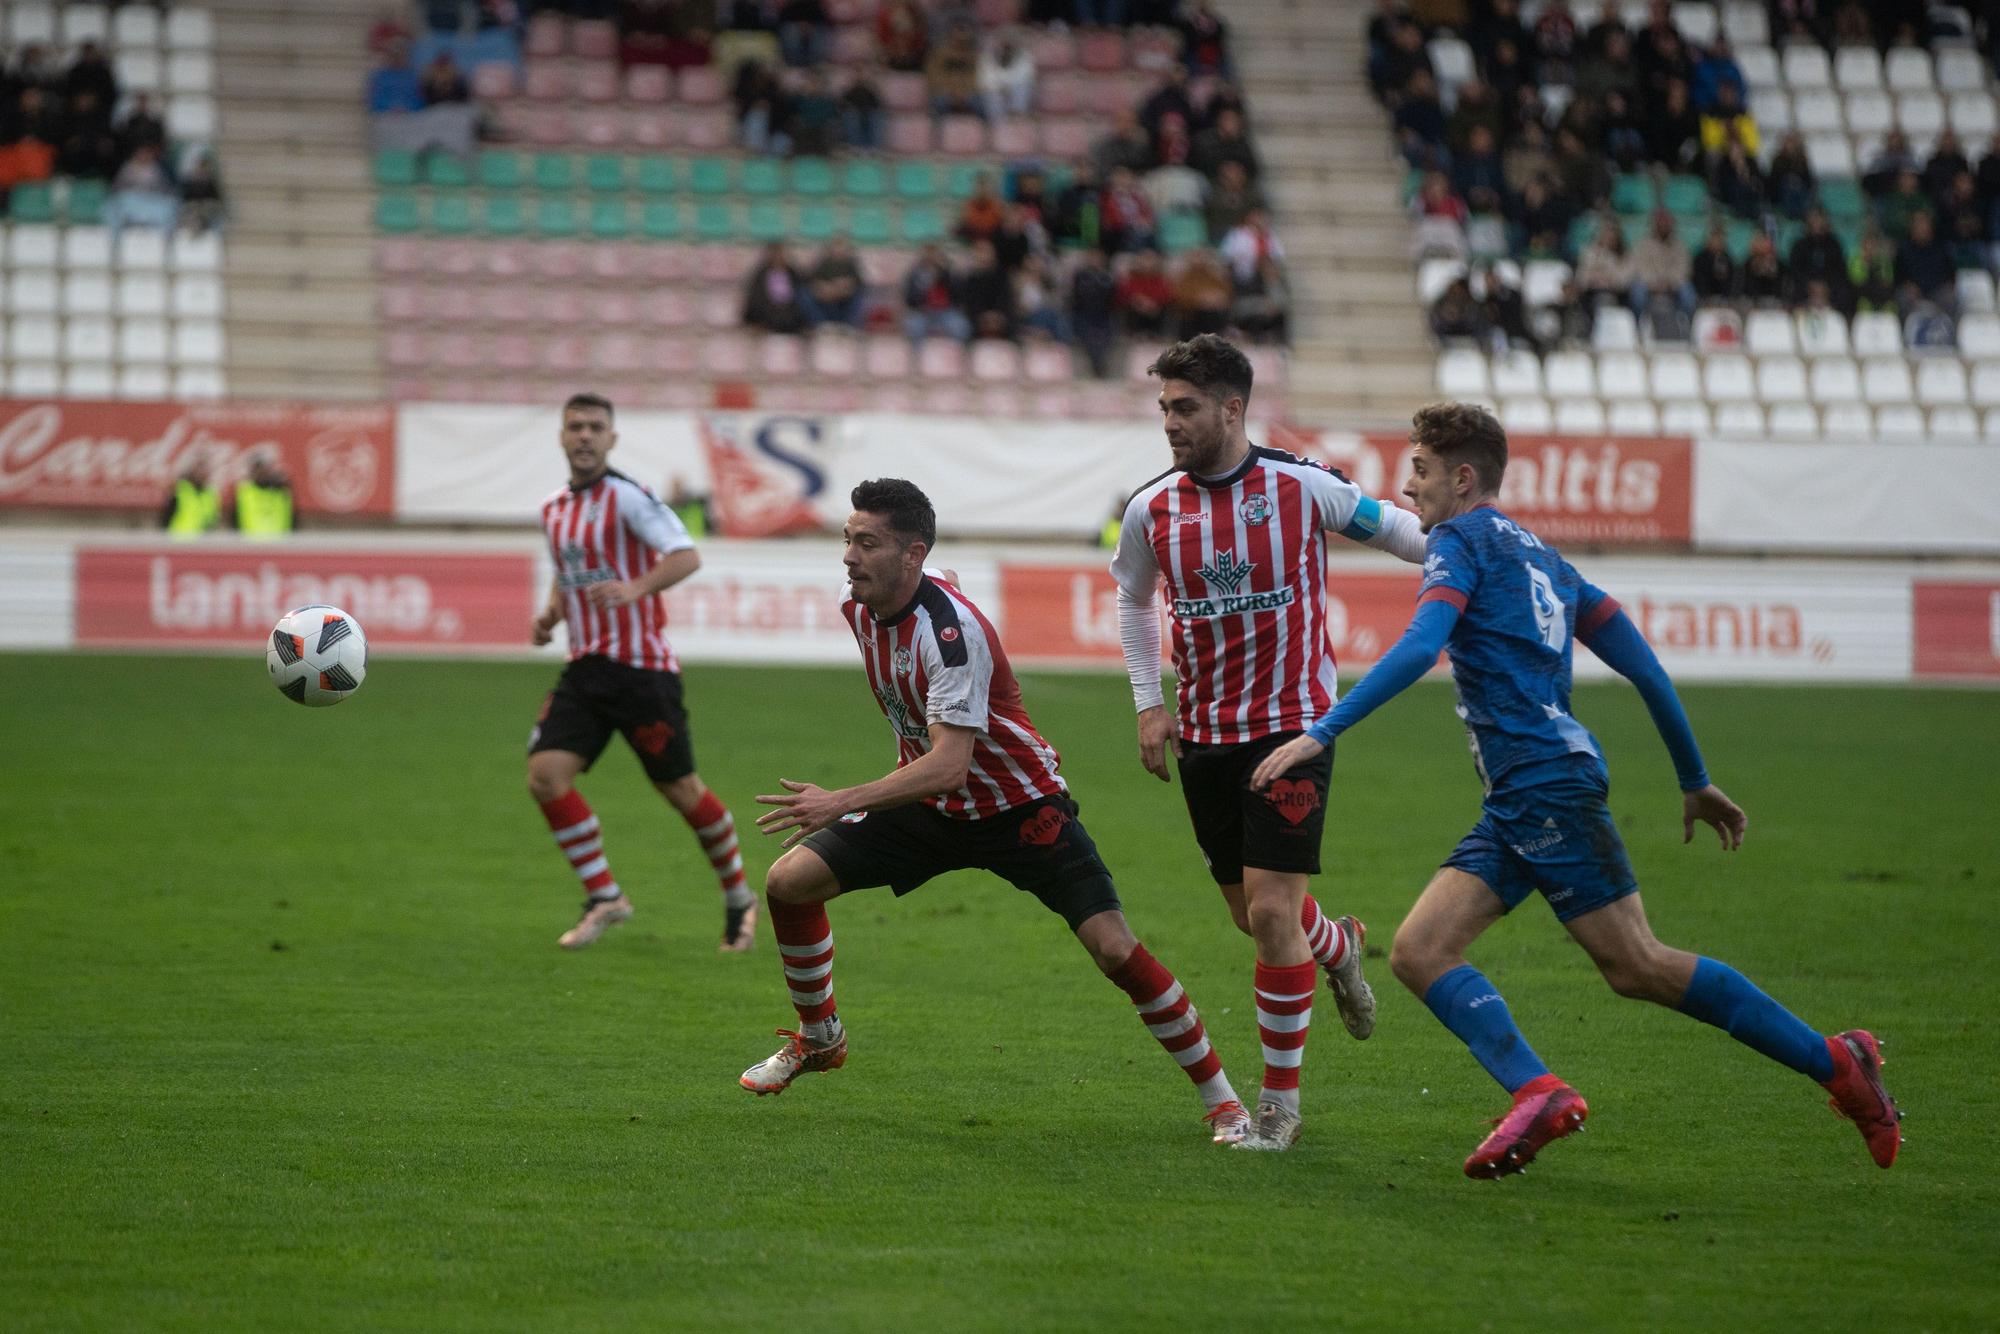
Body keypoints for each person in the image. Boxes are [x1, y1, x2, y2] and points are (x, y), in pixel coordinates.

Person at [1247, 402, 1903, 1179]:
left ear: (1462, 478)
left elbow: (1425, 641)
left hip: (1542, 784)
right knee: (1421, 949)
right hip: (1528, 790)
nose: (1408, 483)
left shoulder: (1457, 542)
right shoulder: (1546, 559)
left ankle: (1836, 1062)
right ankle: (1539, 1089)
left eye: (1420, 469)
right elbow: (1645, 667)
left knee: (1638, 965)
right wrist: (1693, 777)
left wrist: (1323, 730)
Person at [740, 478, 1256, 1146]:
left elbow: (952, 762)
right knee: (788, 882)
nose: (850, 556)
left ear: (911, 554)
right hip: (927, 805)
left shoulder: (951, 637)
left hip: (1018, 808)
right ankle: (820, 1039)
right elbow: (940, 765)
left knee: (1114, 948)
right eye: (848, 539)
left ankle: (1225, 1104)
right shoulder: (862, 607)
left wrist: (839, 800)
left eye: (866, 543)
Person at [1108, 335, 1427, 1150]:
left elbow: (1402, 533)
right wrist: (1151, 704)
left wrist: (1484, 552)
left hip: (1294, 731)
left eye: (1185, 408)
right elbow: (1134, 603)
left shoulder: (1303, 486)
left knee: (1273, 909)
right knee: (1254, 918)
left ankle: (1279, 1107)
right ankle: (1342, 945)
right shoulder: (1153, 508)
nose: (1171, 423)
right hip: (1206, 738)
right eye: (1164, 408)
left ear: (1232, 409)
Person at [527, 394, 758, 953]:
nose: (584, 435)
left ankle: (738, 897)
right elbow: (570, 571)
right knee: (545, 774)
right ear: (561, 436)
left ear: (612, 439)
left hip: (641, 673)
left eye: (595, 427)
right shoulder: (554, 509)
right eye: (575, 426)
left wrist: (635, 588)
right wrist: (553, 610)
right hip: (584, 669)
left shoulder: (629, 498)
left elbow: (685, 554)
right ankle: (605, 896)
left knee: (681, 791)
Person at [233, 455, 294, 539]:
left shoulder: (280, 492)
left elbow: (292, 517)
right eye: (259, 469)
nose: (262, 473)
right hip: (249, 544)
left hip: (278, 545)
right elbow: (235, 519)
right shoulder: (245, 491)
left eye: (265, 469)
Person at [161, 457, 221, 539]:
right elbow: (166, 516)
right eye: (200, 470)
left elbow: (211, 520)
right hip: (178, 540)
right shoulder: (180, 489)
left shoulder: (210, 494)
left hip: (200, 543)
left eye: (205, 471)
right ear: (192, 471)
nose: (202, 474)